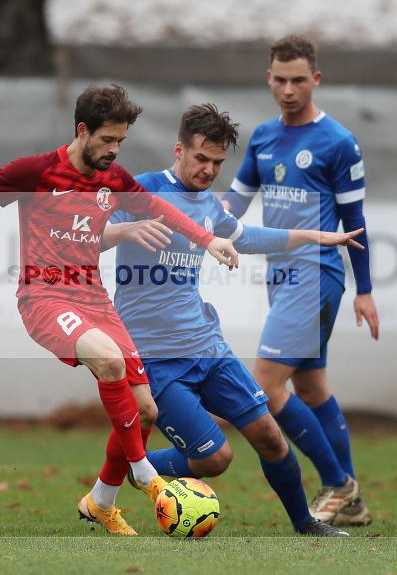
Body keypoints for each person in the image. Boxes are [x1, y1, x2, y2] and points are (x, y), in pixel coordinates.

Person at [0, 85, 240, 535]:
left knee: (146, 411)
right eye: (107, 140)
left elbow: (161, 209)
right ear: (82, 131)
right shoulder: (38, 172)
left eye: (121, 141)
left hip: (94, 299)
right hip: (44, 296)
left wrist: (210, 239)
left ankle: (101, 502)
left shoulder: (114, 179)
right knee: (108, 360)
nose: (114, 150)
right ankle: (146, 476)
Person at [103, 103, 363, 536]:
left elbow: (247, 237)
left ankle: (305, 524)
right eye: (201, 159)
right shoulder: (141, 190)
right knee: (215, 459)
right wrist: (122, 231)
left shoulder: (207, 205)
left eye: (218, 163)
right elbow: (88, 236)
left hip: (208, 347)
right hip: (155, 360)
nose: (208, 170)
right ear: (179, 150)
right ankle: (140, 469)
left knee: (270, 437)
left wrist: (313, 235)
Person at [221, 35, 378, 525]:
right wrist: (192, 225)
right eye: (280, 80)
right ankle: (351, 502)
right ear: (269, 79)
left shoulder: (337, 142)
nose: (289, 89)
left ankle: (336, 483)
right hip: (281, 278)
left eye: (298, 80)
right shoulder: (265, 137)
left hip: (317, 276)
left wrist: (366, 289)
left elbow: (356, 224)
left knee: (265, 386)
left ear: (316, 80)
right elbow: (233, 206)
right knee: (311, 389)